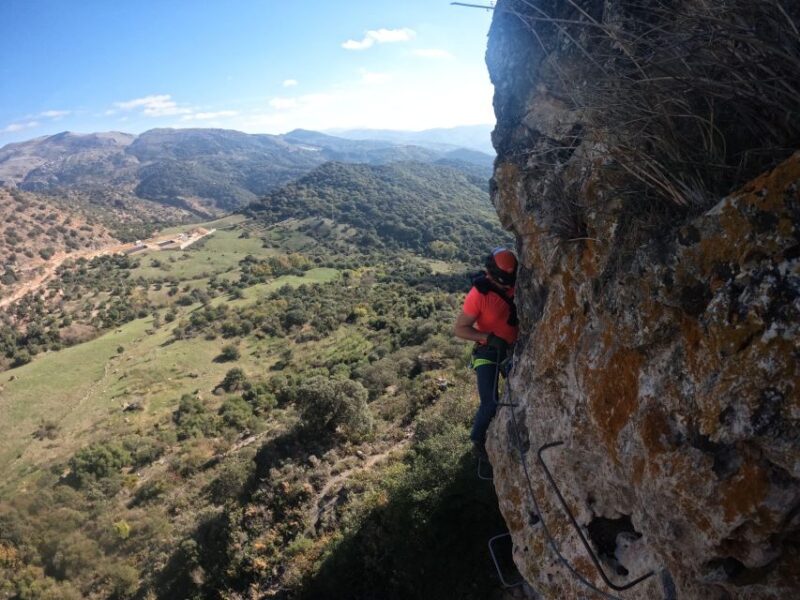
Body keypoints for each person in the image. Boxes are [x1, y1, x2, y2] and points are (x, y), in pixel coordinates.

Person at [453, 247, 519, 459]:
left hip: (513, 347)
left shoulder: (516, 282)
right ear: (492, 275)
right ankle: (477, 439)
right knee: (490, 401)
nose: (507, 286)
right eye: (503, 282)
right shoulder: (478, 295)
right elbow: (460, 329)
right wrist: (489, 338)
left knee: (519, 389)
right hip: (487, 350)